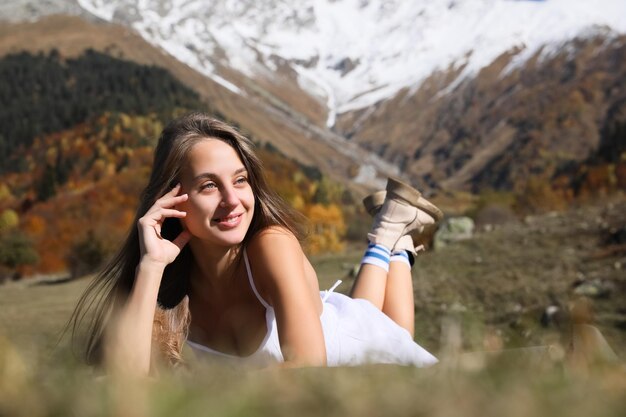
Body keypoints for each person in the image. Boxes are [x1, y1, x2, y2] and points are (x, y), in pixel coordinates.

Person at [70, 112, 443, 374]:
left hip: (374, 360)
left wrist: (214, 393)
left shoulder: (272, 243)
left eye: (240, 180)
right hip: (340, 339)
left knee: (384, 329)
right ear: (171, 199)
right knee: (361, 314)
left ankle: (392, 236)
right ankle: (396, 235)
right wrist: (151, 267)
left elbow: (309, 369)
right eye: (209, 186)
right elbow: (125, 388)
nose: (232, 201)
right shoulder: (167, 291)